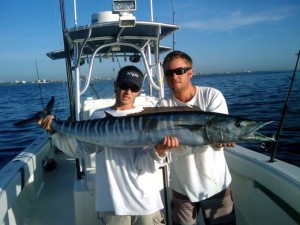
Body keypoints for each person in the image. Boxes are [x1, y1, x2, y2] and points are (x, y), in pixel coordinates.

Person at [40, 65, 177, 225]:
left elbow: (144, 164)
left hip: (145, 201)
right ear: (115, 85)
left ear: (139, 91)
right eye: (124, 86)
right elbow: (80, 150)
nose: (128, 91)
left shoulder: (147, 118)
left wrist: (160, 150)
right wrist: (54, 131)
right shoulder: (98, 116)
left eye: (134, 88)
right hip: (113, 202)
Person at [156, 50, 236, 225]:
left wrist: (221, 141)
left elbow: (217, 135)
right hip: (182, 187)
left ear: (190, 72)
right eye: (169, 73)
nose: (174, 76)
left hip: (216, 185)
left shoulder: (212, 96)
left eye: (180, 71)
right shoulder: (163, 105)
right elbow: (206, 137)